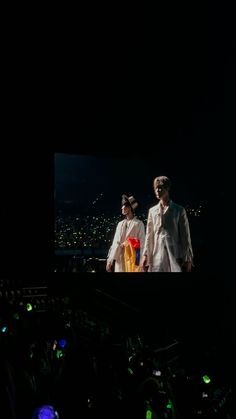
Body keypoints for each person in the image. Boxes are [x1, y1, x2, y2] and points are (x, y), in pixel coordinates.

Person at [141, 176, 193, 272]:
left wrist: (188, 258)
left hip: (175, 256)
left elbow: (185, 236)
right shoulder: (152, 211)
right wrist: (145, 255)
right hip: (157, 257)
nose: (157, 190)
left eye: (160, 187)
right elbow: (149, 235)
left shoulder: (179, 210)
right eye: (155, 188)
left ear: (167, 188)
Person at [106, 195, 145, 272]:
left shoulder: (139, 224)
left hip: (132, 259)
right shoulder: (120, 224)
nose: (122, 208)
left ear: (130, 208)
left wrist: (140, 263)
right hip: (120, 259)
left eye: (123, 206)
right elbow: (115, 243)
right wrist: (109, 260)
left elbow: (142, 244)